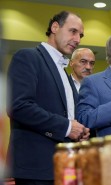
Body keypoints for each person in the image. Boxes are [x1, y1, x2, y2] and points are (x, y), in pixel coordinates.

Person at [6, 11, 90, 185]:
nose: (77, 39)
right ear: (55, 27)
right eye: (73, 31)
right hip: (36, 168)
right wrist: (67, 127)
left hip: (66, 165)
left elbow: (66, 114)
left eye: (80, 35)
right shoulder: (27, 57)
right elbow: (18, 106)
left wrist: (79, 129)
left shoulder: (65, 73)